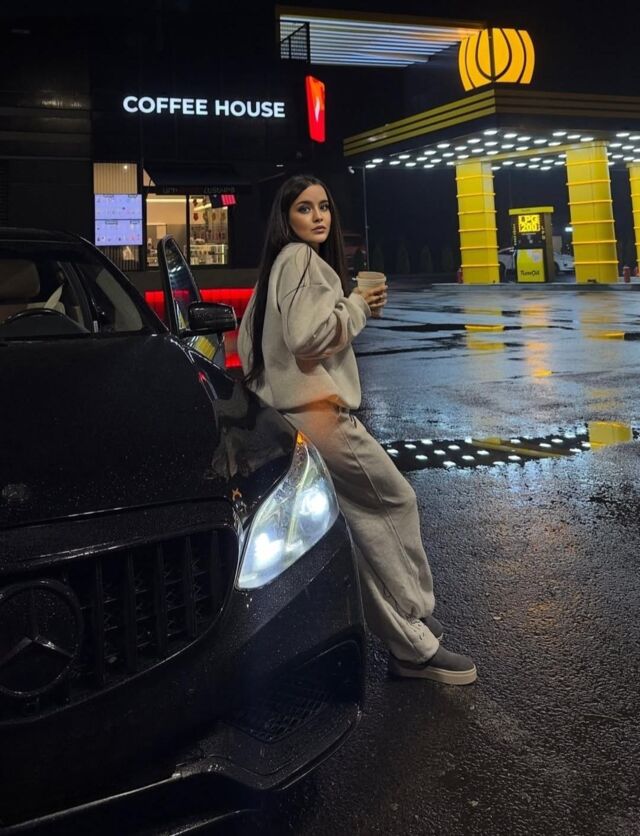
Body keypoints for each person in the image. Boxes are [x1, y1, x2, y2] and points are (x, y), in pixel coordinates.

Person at [238, 174, 476, 685]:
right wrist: (358, 307)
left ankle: (408, 641)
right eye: (305, 208)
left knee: (357, 534)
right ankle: (414, 614)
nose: (318, 216)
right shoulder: (301, 260)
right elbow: (307, 339)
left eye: (324, 207)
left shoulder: (274, 268)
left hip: (287, 420)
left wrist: (347, 307)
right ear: (286, 218)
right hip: (321, 415)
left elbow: (248, 345)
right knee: (394, 501)